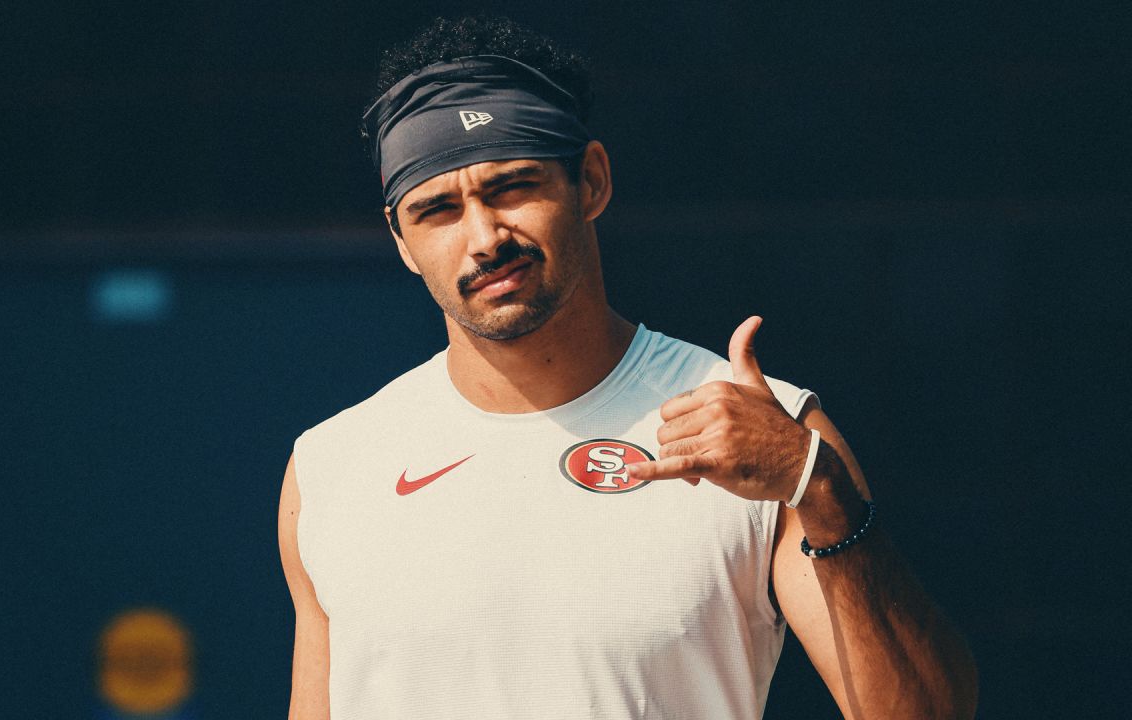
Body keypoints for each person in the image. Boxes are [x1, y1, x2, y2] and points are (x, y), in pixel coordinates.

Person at [278, 15, 977, 720]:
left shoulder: (767, 433)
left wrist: (818, 488)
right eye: (438, 211)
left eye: (513, 186)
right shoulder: (333, 467)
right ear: (401, 239)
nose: (486, 238)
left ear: (591, 181)